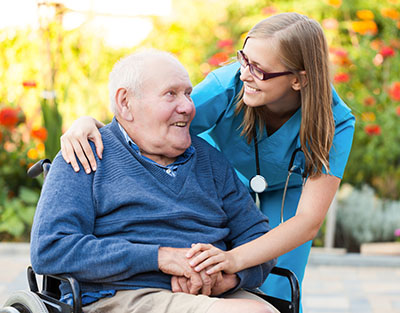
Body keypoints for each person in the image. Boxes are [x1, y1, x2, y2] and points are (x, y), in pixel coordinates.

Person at [59, 12, 355, 312]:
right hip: (224, 175)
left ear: (298, 79)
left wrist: (234, 264)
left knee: (278, 286)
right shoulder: (226, 87)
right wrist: (89, 123)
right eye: (243, 59)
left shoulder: (336, 123)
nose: (244, 74)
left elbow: (306, 222)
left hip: (288, 187)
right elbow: (146, 123)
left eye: (259, 70)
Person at [30, 49, 279, 313]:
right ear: (125, 102)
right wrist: (161, 257)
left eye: (188, 94)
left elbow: (258, 238)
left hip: (213, 295)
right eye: (171, 94)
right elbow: (51, 247)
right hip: (122, 295)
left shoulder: (211, 161)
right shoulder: (85, 155)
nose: (187, 107)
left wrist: (229, 277)